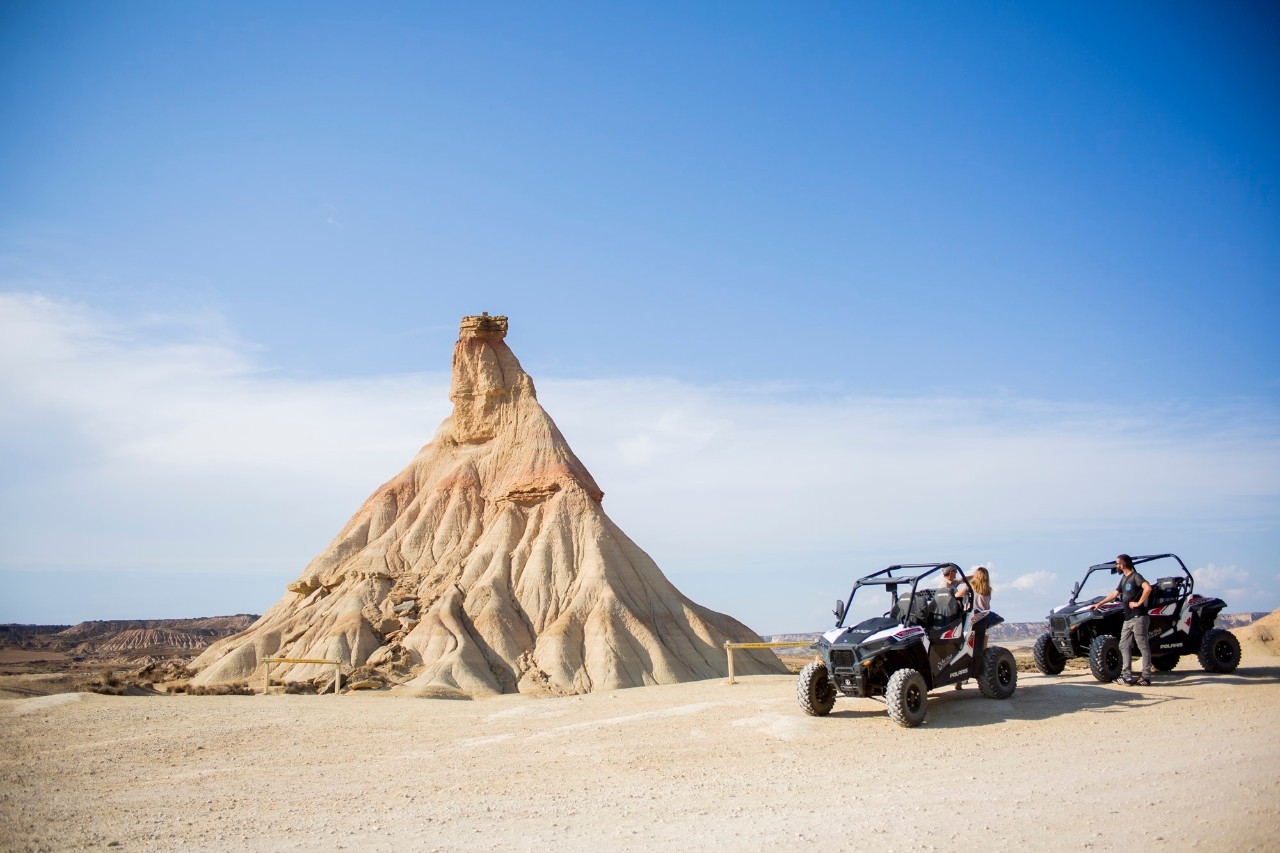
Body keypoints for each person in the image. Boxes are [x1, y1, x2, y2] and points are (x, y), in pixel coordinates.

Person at [1090, 553, 1153, 686]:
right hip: (1128, 618)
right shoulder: (1124, 579)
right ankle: (1127, 677)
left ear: (1123, 564)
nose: (1116, 566)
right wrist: (1099, 604)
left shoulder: (1136, 576)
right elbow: (1114, 594)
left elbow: (1148, 588)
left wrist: (1139, 603)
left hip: (1139, 617)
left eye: (1117, 563)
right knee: (1123, 645)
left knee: (1143, 646)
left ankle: (1146, 677)